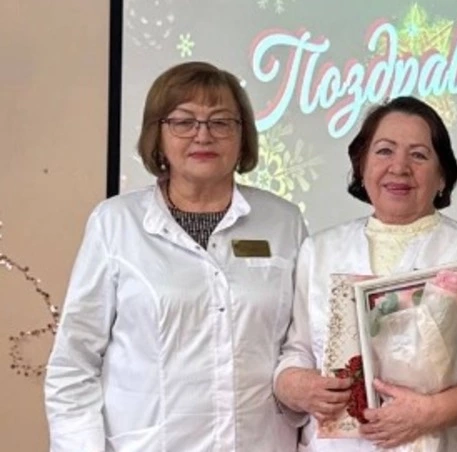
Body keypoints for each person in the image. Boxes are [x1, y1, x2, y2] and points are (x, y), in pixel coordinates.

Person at [44, 61, 307, 451]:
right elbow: (74, 363)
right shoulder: (115, 223)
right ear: (158, 134)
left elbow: (303, 344)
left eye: (221, 122)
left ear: (242, 136)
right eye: (184, 122)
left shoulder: (283, 221)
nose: (203, 135)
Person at [273, 96, 457, 451]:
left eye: (419, 155)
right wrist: (295, 384)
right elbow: (297, 349)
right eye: (384, 151)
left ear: (442, 175)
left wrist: (433, 412)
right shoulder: (320, 251)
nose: (400, 167)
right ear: (361, 165)